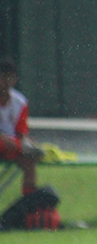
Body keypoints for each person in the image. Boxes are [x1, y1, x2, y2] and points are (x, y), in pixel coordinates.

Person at [0, 57, 43, 196]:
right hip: (6, 143)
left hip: (11, 146)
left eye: (9, 78)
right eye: (2, 77)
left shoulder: (20, 102)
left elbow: (21, 131)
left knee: (30, 161)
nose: (5, 82)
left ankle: (29, 205)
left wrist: (28, 143)